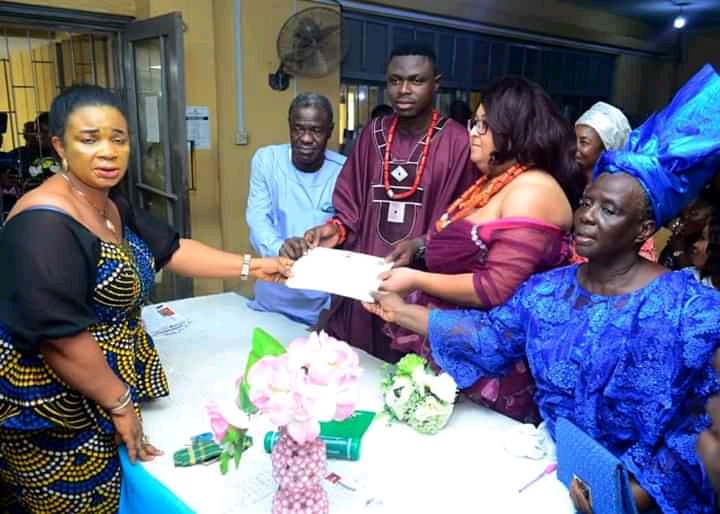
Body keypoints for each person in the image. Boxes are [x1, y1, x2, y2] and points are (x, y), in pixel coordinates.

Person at [364, 64, 720, 513]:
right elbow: (489, 338)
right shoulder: (547, 292)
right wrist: (397, 310)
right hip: (558, 475)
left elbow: (706, 429)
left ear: (644, 229)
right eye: (587, 202)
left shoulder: (692, 310)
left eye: (609, 210)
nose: (587, 216)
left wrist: (630, 495)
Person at [0, 85, 292, 513]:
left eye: (118, 139)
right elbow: (59, 339)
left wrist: (257, 266)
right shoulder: (42, 223)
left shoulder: (107, 202)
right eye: (89, 139)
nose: (108, 152)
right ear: (60, 145)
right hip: (58, 408)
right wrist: (119, 403)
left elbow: (171, 249)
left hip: (103, 386)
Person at [377, 77, 583, 422]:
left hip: (493, 367)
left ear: (514, 131)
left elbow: (494, 287)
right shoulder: (496, 181)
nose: (473, 132)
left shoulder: (532, 191)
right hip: (452, 341)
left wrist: (415, 280)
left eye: (485, 125)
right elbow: (467, 241)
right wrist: (419, 246)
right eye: (475, 122)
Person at [287, 42, 477, 361]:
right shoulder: (372, 135)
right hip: (363, 286)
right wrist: (332, 230)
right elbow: (349, 209)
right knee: (357, 369)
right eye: (395, 81)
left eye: (416, 80)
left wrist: (421, 244)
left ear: (436, 84)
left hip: (418, 289)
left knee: (409, 379)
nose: (404, 90)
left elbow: (466, 220)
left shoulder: (457, 142)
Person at [247, 93, 345, 325]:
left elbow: (348, 229)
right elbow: (258, 219)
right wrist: (279, 246)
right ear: (289, 127)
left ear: (330, 131)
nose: (306, 138)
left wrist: (330, 312)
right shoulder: (267, 160)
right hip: (272, 294)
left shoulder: (344, 171)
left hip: (322, 303)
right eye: (298, 129)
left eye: (316, 130)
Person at [573, 101, 657, 262]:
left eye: (583, 142)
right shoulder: (571, 185)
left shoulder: (626, 194)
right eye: (586, 203)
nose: (574, 147)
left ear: (607, 149)